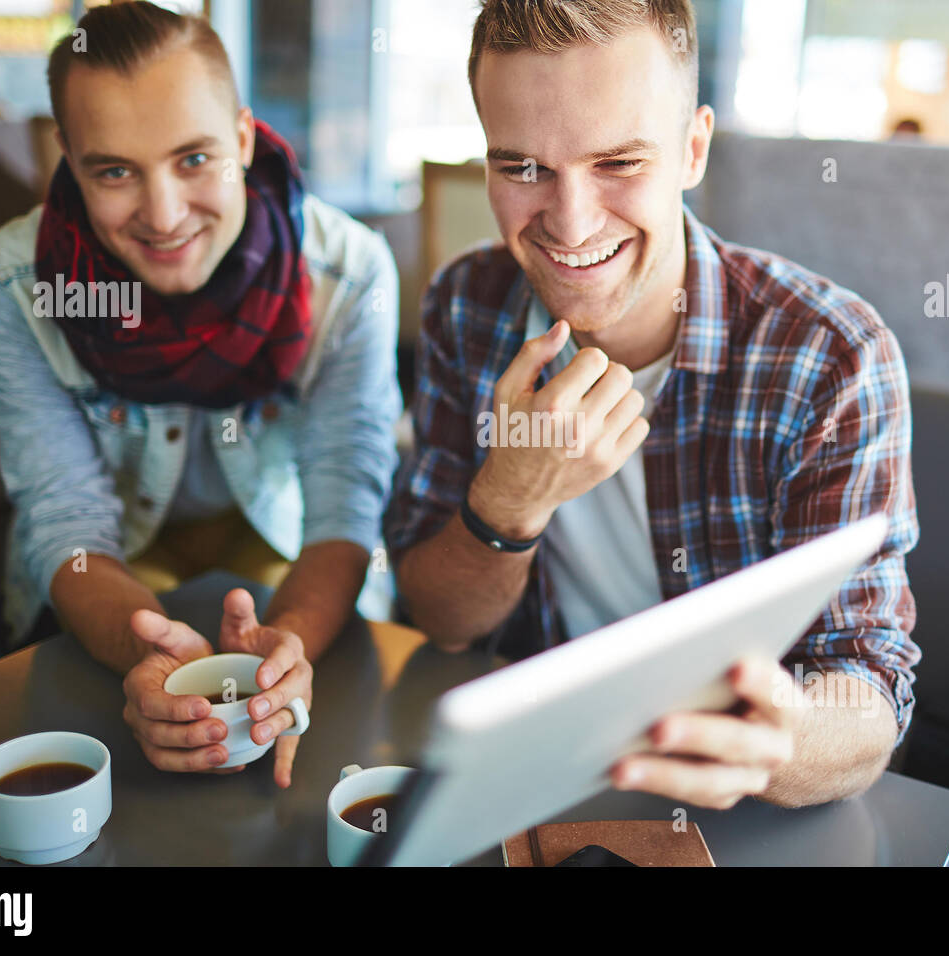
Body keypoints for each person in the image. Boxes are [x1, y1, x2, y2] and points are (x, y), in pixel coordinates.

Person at [385, 0, 920, 810]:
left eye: (618, 163)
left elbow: (868, 688)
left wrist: (778, 739)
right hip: (532, 775)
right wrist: (509, 498)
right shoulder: (466, 304)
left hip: (734, 802)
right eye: (522, 166)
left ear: (692, 148)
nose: (569, 222)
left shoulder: (831, 356)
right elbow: (441, 620)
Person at [0, 2, 401, 787]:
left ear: (241, 138)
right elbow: (64, 516)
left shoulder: (352, 272)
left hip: (282, 547)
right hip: (112, 567)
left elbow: (344, 504)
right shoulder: (12, 280)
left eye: (194, 159)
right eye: (114, 171)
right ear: (69, 159)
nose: (164, 215)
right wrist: (150, 653)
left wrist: (288, 647)